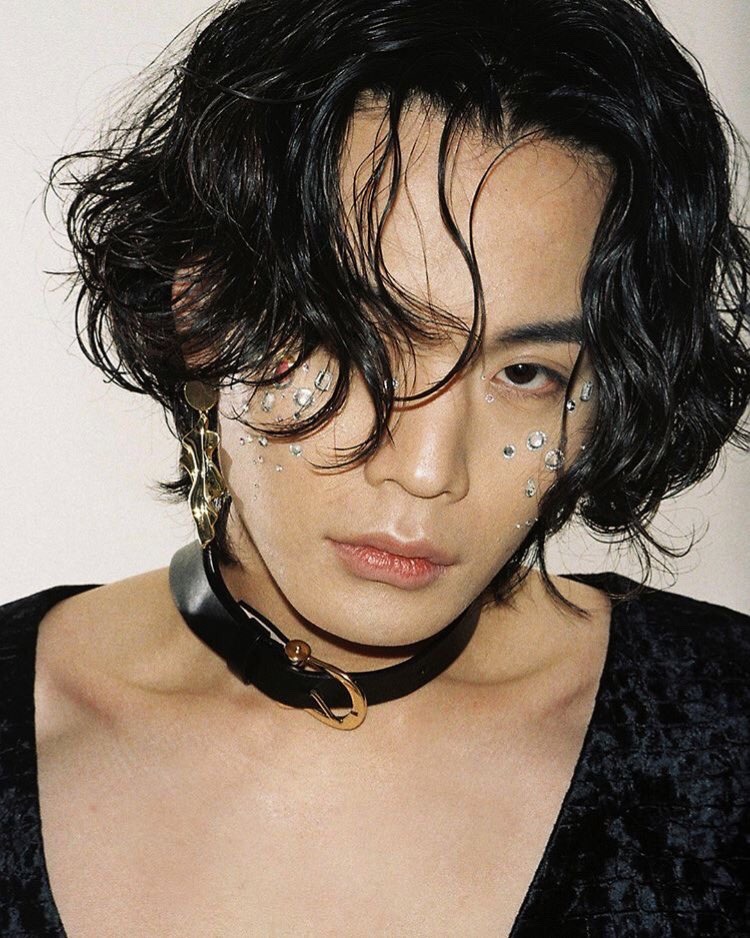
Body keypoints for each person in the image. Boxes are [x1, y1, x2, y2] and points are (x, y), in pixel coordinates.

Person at [2, 0, 748, 934]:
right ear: (200, 313)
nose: (430, 471)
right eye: (359, 345)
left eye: (525, 373)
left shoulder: (726, 730)